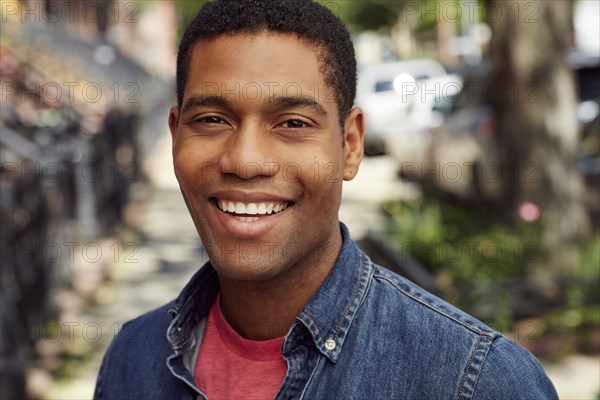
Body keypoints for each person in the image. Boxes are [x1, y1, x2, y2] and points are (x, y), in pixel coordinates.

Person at [94, 1, 558, 399]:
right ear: (175, 137)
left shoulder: (474, 380)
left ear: (350, 145)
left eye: (293, 123)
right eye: (213, 119)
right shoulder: (134, 358)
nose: (247, 161)